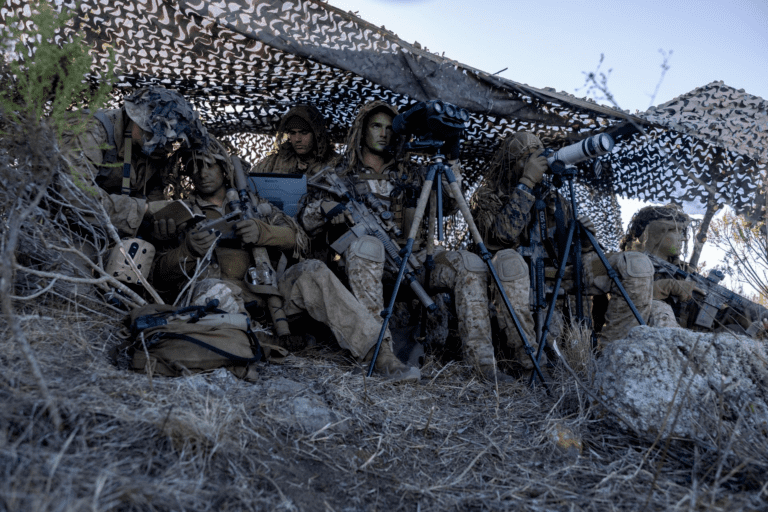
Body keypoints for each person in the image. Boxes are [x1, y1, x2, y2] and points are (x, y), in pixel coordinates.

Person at [151, 138, 420, 382]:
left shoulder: (257, 205)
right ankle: (253, 349)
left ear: (224, 169)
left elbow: (300, 239)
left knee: (312, 271)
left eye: (209, 165)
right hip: (220, 297)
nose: (202, 173)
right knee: (216, 290)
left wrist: (264, 232)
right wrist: (187, 251)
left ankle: (379, 355)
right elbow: (159, 276)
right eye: (194, 167)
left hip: (271, 297)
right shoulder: (182, 213)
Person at [300, 100, 507, 382]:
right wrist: (327, 210)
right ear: (362, 130)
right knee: (365, 247)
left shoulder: (413, 173)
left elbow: (450, 203)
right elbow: (305, 220)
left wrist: (452, 159)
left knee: (469, 263)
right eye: (376, 126)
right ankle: (379, 355)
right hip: (367, 265)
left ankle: (483, 366)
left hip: (415, 262)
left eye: (389, 127)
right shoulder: (339, 175)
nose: (384, 133)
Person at [471, 132, 654, 368]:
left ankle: (612, 361)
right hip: (512, 277)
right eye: (526, 158)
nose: (537, 163)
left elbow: (572, 254)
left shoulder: (556, 200)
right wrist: (526, 183)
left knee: (635, 265)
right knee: (508, 262)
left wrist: (586, 240)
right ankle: (531, 364)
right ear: (511, 164)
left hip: (559, 274)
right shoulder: (488, 197)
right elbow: (502, 237)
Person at [61, 85, 208, 236]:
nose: (163, 145)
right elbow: (73, 196)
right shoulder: (89, 131)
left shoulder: (153, 152)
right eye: (152, 133)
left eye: (171, 140)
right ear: (134, 118)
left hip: (105, 234)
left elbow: (152, 205)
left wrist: (160, 225)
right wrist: (144, 209)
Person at [621, 204, 768, 335]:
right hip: (651, 335)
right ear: (657, 232)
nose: (683, 239)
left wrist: (749, 319)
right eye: (677, 232)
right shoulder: (630, 262)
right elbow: (623, 298)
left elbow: (712, 315)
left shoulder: (685, 271)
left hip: (692, 336)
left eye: (683, 233)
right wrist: (667, 286)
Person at [253, 104, 336, 176]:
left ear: (316, 134)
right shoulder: (275, 161)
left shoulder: (335, 163)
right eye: (293, 133)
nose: (297, 139)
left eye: (304, 133)